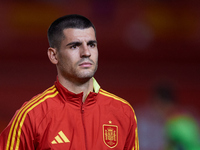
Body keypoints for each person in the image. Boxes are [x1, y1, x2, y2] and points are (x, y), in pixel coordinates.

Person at [0, 14, 139, 150]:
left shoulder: (123, 112)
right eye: (74, 46)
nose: (86, 53)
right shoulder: (32, 115)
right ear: (54, 55)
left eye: (91, 44)